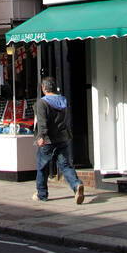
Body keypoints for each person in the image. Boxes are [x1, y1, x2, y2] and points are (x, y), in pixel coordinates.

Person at [33, 76, 85, 204]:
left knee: (42, 166)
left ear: (44, 88)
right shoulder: (63, 100)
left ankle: (41, 194)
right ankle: (76, 185)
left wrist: (41, 137)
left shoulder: (42, 103)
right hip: (62, 138)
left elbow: (42, 123)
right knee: (66, 165)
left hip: (48, 140)